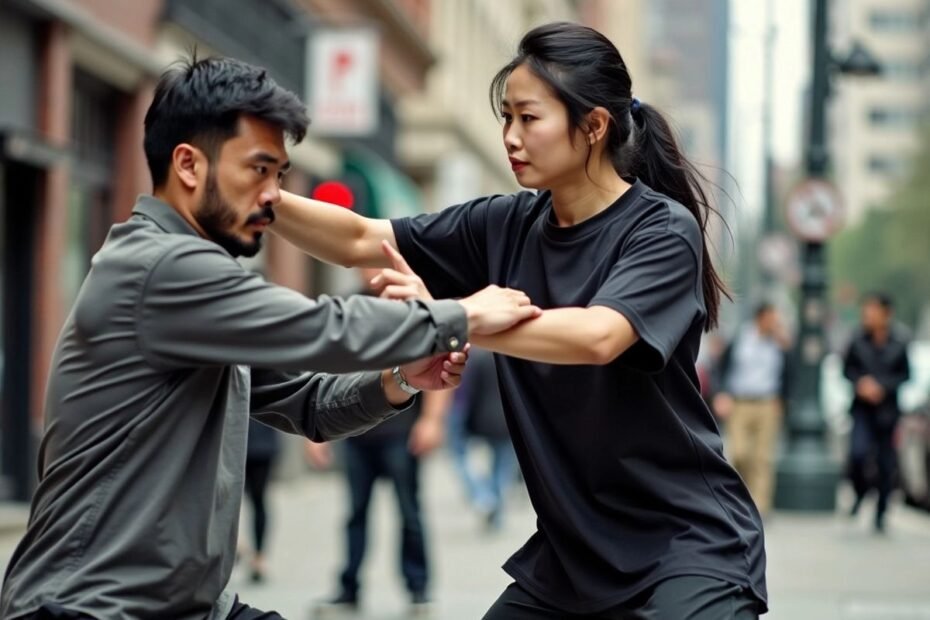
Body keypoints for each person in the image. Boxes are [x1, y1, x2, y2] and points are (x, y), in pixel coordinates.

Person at [0, 55, 541, 620]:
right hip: (89, 607)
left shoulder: (202, 286)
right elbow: (319, 328)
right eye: (258, 170)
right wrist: (462, 313)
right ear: (188, 164)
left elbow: (309, 405)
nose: (273, 197)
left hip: (188, 606)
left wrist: (401, 380)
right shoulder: (159, 266)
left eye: (279, 175)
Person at [272, 21, 767, 619]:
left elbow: (598, 335)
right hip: (570, 560)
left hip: (685, 551)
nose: (510, 136)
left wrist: (452, 318)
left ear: (592, 127)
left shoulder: (660, 230)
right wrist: (254, 195)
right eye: (506, 117)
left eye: (528, 119)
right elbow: (359, 239)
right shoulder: (503, 225)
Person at [305, 269, 453, 618]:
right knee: (355, 513)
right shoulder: (350, 307)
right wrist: (314, 432)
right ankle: (348, 588)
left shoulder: (413, 304)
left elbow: (440, 361)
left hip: (401, 432)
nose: (371, 268)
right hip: (356, 433)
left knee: (409, 512)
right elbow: (330, 366)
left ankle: (418, 589)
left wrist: (432, 420)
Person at [712, 303, 790, 517]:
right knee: (739, 452)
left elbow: (790, 372)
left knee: (763, 457)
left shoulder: (779, 344)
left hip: (767, 403)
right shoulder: (741, 339)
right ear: (761, 317)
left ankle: (760, 506)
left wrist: (783, 399)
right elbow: (721, 366)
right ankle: (741, 495)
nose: (775, 324)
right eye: (772, 319)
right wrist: (722, 393)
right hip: (740, 402)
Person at [843, 292, 910, 533]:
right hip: (862, 411)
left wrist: (883, 386)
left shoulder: (900, 342)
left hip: (887, 413)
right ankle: (860, 492)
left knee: (885, 463)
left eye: (872, 311)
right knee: (858, 454)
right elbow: (847, 370)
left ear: (886, 314)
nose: (867, 316)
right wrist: (861, 383)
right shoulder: (857, 340)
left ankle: (881, 513)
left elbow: (905, 375)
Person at [447, 347, 518, 531]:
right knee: (502, 467)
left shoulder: (477, 359)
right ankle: (492, 504)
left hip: (484, 417)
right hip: (507, 419)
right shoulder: (511, 356)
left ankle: (485, 498)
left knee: (461, 457)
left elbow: (468, 393)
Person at [243, 418, 281, 583]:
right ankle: (237, 545)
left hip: (261, 443)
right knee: (224, 500)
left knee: (258, 499)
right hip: (230, 441)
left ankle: (259, 556)